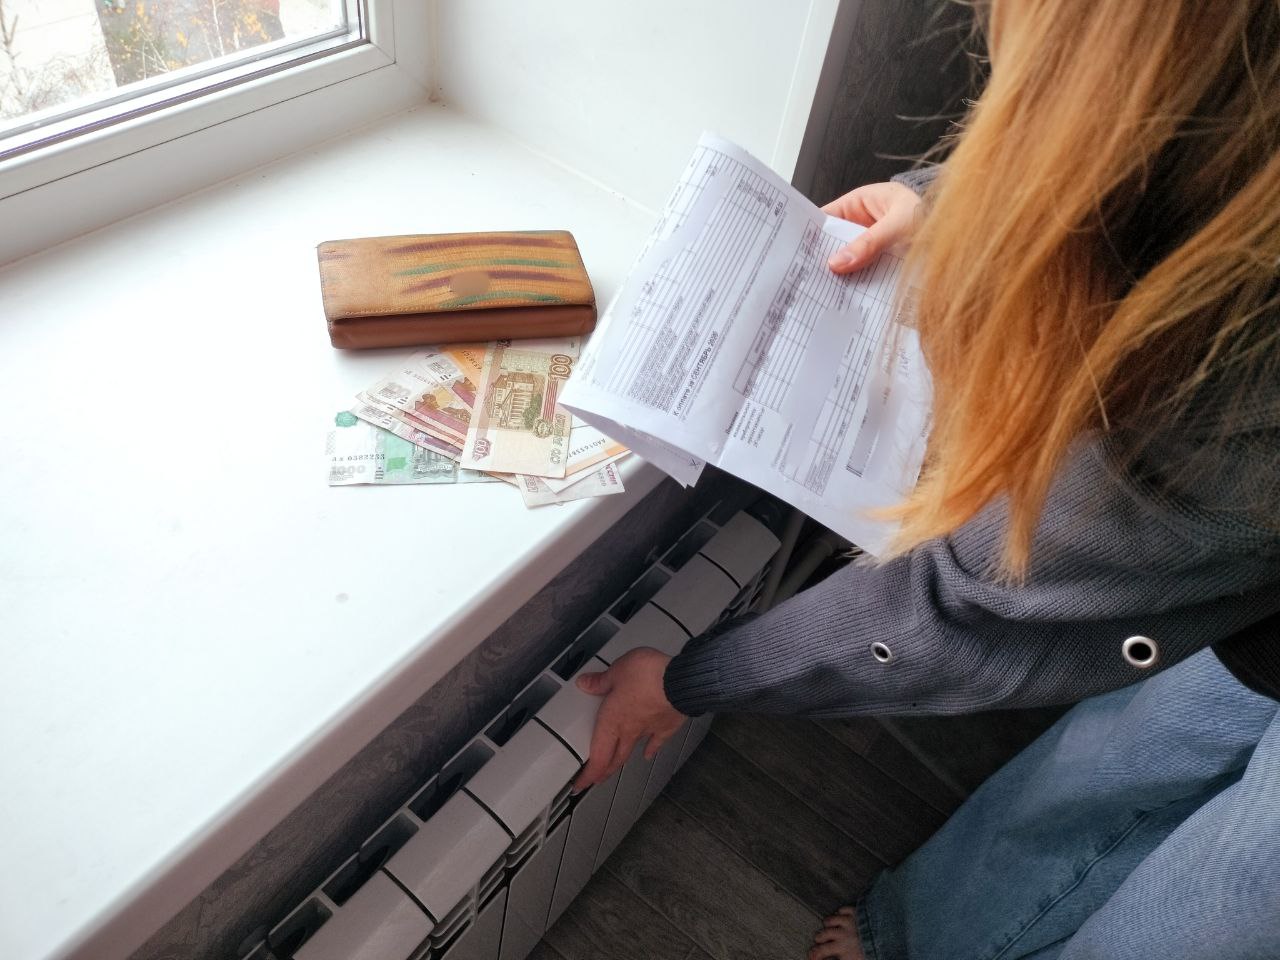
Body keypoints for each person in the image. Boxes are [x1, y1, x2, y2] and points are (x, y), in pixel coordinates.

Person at [572, 1, 1280, 957]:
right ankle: (918, 933)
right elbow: (1141, 174)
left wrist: (685, 682)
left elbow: (963, 609)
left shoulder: (1238, 385)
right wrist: (941, 208)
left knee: (1219, 902)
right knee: (1130, 749)